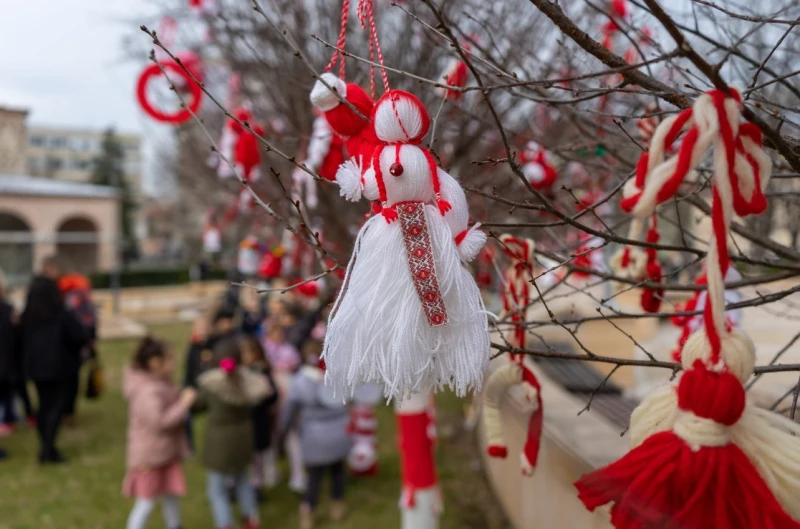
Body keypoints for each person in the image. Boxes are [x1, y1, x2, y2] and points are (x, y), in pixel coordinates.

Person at [195, 336, 272, 529]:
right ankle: (251, 519)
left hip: (219, 442)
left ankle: (225, 522)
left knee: (216, 489)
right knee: (243, 480)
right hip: (244, 437)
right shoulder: (251, 381)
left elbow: (198, 406)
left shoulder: (211, 385)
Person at [122, 337, 196, 529]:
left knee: (170, 493)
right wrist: (183, 405)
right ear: (155, 364)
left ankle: (175, 525)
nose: (174, 364)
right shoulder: (146, 391)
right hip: (150, 458)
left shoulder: (158, 383)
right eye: (170, 359)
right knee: (146, 501)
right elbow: (160, 422)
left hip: (165, 454)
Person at [278, 339, 352, 529]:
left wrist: (282, 432)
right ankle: (337, 504)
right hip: (339, 431)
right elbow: (350, 398)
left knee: (314, 476)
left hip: (314, 435)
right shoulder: (336, 376)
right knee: (337, 470)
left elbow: (289, 411)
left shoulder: (300, 382)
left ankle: (308, 511)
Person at [19, 275, 88, 463]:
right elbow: (79, 335)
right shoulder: (61, 314)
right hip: (59, 368)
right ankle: (48, 448)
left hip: (36, 368)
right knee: (56, 407)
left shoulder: (27, 317)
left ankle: (47, 446)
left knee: (43, 405)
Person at [240, 335, 278, 502]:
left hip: (258, 420)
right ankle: (240, 485)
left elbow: (273, 395)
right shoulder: (240, 372)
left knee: (257, 456)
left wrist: (264, 394)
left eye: (247, 353)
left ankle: (257, 485)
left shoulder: (262, 371)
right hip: (243, 422)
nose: (244, 357)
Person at [58, 271, 98, 426]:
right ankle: (69, 412)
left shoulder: (65, 301)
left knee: (64, 382)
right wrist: (91, 341)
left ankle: (64, 411)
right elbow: (92, 324)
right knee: (72, 381)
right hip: (79, 348)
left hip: (63, 349)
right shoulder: (85, 301)